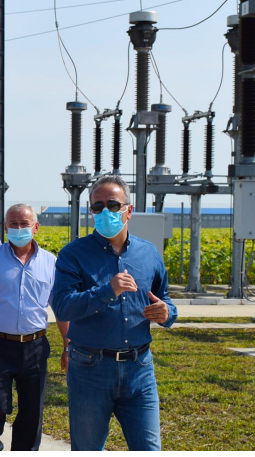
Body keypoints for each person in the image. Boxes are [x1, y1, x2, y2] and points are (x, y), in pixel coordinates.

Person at [52, 175, 177, 451]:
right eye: (97, 207)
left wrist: (166, 312)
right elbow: (62, 305)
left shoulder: (149, 254)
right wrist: (107, 291)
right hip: (90, 368)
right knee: (87, 449)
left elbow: (166, 300)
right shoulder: (73, 254)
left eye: (112, 205)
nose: (105, 212)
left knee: (148, 448)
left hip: (139, 368)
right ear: (90, 212)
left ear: (128, 211)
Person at [0, 204, 69, 451]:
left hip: (35, 347)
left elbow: (60, 307)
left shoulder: (51, 263)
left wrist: (67, 345)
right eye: (13, 224)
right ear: (6, 227)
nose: (18, 229)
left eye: (24, 224)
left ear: (36, 227)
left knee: (32, 411)